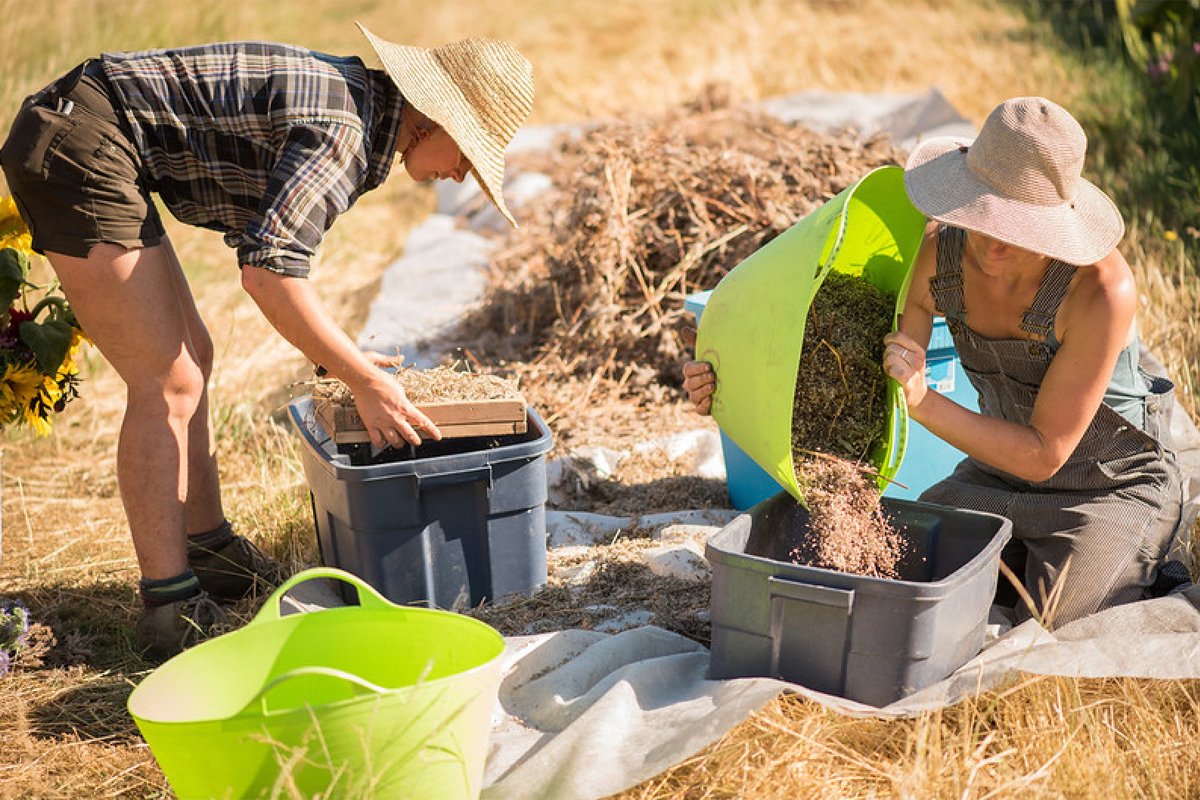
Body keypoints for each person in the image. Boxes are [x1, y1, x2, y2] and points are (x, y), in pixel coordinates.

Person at [0, 24, 534, 659]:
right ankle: (169, 608)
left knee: (193, 354)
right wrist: (362, 381)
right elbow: (269, 273)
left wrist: (343, 359)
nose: (461, 175)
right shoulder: (345, 132)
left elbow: (268, 249)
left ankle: (208, 547)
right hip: (81, 142)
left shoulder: (362, 115)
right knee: (167, 379)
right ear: (435, 118)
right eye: (469, 153)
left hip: (96, 134)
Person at [684, 96, 1187, 628]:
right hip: (997, 477)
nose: (992, 242)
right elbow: (850, 370)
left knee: (1053, 628)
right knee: (896, 564)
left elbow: (1044, 454)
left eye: (1018, 226)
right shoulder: (939, 255)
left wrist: (923, 402)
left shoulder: (1101, 291)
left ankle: (1146, 559)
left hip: (1105, 486)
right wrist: (733, 385)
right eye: (982, 213)